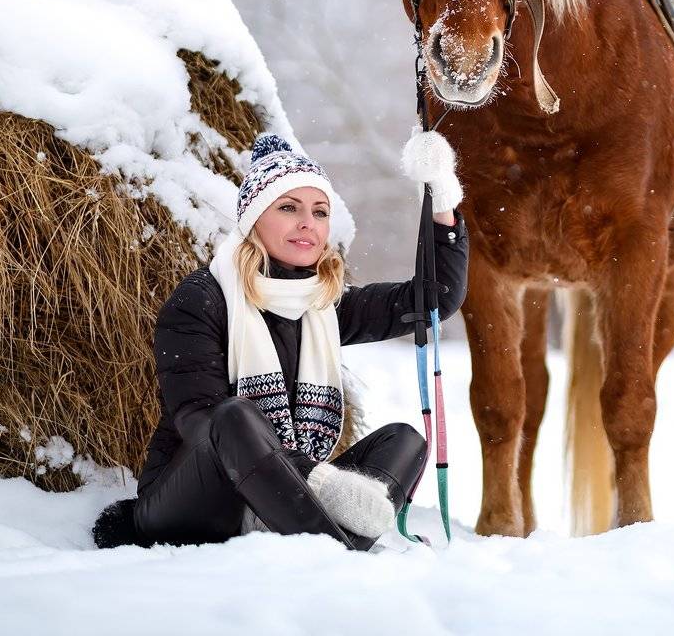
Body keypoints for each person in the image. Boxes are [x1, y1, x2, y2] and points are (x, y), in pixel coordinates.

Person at [93, 129, 468, 551]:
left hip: (285, 498)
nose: (308, 222)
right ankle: (338, 552)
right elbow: (200, 422)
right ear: (254, 218)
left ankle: (314, 533)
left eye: (320, 212)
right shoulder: (203, 299)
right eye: (289, 207)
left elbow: (434, 299)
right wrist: (316, 478)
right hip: (197, 505)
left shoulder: (323, 304)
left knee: (403, 441)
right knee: (233, 416)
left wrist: (441, 196)